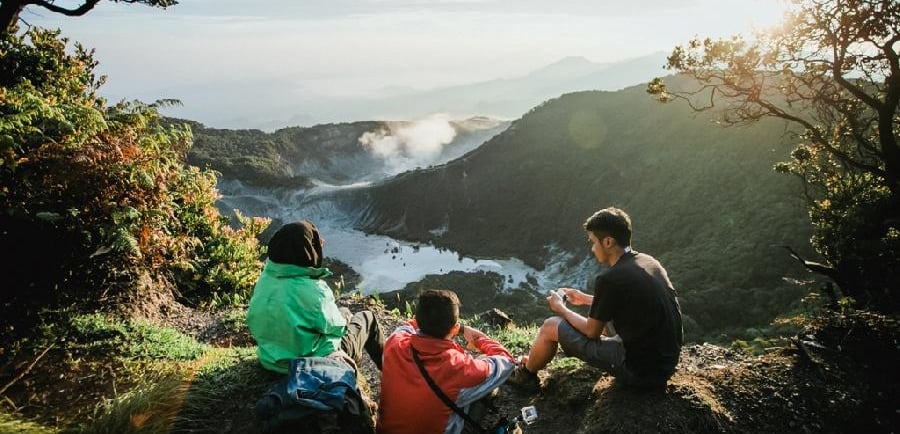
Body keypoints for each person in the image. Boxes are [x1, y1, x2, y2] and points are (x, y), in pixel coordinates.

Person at [507, 207, 683, 391]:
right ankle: (609, 353)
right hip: (665, 363)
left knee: (551, 326)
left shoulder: (610, 279)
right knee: (605, 320)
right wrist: (586, 299)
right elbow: (631, 303)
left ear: (607, 242)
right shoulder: (649, 262)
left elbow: (592, 332)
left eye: (593, 242)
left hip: (639, 372)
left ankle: (526, 375)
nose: (592, 248)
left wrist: (561, 308)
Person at [246, 220, 384, 374]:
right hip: (313, 362)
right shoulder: (314, 290)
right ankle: (390, 372)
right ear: (306, 252)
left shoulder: (265, 280)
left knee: (344, 311)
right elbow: (335, 326)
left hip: (272, 361)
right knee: (367, 318)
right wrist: (344, 320)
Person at [378, 290, 516, 434]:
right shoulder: (459, 367)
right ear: (454, 328)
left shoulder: (394, 342)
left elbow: (409, 325)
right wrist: (478, 339)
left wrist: (459, 328)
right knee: (485, 376)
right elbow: (506, 361)